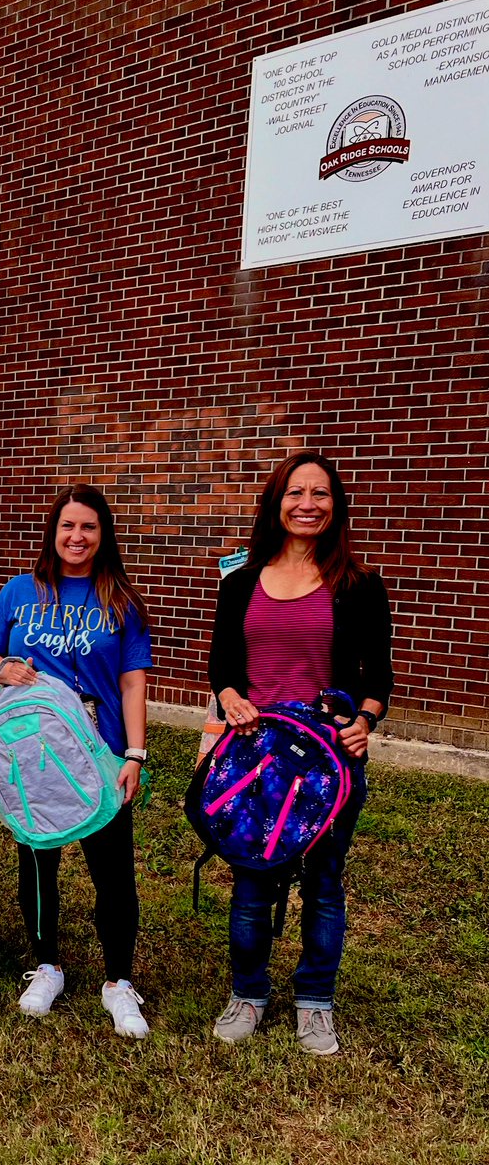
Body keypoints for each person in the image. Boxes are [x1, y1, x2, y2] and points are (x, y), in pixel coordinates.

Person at [208, 450, 392, 1055]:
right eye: (294, 492)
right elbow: (222, 667)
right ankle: (248, 993)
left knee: (324, 883)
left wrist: (365, 720)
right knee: (253, 882)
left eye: (319, 493)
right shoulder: (239, 582)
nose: (306, 503)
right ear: (276, 502)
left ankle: (315, 1002)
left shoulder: (358, 587)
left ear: (335, 506)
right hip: (257, 760)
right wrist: (231, 696)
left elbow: (379, 677)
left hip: (330, 762)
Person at [0, 483, 153, 1037]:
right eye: (68, 526)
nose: (77, 537)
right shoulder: (19, 592)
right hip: (34, 751)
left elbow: (131, 682)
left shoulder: (120, 600)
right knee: (37, 865)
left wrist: (135, 754)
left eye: (89, 527)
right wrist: (1, 668)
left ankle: (119, 982)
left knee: (114, 873)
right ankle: (47, 966)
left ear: (104, 536)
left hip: (100, 750)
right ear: (53, 532)